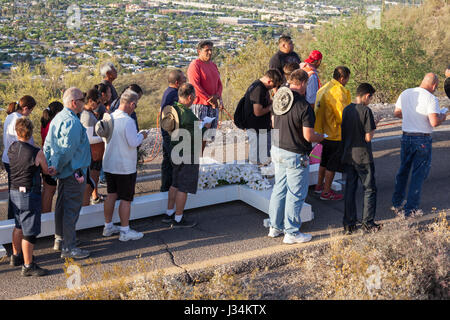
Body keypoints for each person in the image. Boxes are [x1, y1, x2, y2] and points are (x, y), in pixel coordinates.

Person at [268, 69, 324, 244]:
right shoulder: (304, 106)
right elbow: (309, 136)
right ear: (303, 84)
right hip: (295, 153)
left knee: (279, 188)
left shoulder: (278, 100)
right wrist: (322, 137)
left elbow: (272, 123)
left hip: (277, 149)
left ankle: (275, 227)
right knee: (296, 193)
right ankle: (291, 232)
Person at [43, 87, 91, 259]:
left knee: (62, 207)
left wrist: (51, 165)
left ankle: (60, 240)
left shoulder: (58, 118)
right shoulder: (72, 122)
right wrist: (56, 166)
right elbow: (66, 151)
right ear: (74, 102)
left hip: (65, 172)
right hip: (73, 172)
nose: (84, 103)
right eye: (82, 100)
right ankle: (69, 248)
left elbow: (48, 145)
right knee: (71, 210)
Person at [391, 73, 446, 218]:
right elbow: (434, 122)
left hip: (406, 136)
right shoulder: (431, 98)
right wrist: (443, 116)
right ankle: (411, 209)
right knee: (418, 174)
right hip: (422, 139)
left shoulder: (406, 93)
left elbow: (396, 113)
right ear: (434, 85)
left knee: (403, 170)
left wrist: (411, 115)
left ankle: (397, 202)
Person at [9, 118, 55, 276]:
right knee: (30, 231)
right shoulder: (37, 152)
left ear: (17, 131)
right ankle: (28, 266)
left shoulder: (12, 148)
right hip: (29, 192)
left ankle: (16, 256)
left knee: (18, 225)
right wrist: (51, 169)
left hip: (14, 190)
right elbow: (46, 170)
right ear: (31, 132)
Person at [160, 83, 210, 228]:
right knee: (184, 187)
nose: (194, 99)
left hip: (175, 151)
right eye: (194, 96)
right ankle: (178, 218)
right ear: (189, 97)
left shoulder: (174, 108)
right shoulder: (188, 114)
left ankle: (169, 213)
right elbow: (196, 137)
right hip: (188, 153)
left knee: (174, 184)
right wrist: (205, 128)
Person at [102, 89, 148, 241]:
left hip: (109, 163)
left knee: (111, 195)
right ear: (132, 104)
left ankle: (108, 226)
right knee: (126, 199)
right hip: (124, 165)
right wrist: (142, 135)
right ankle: (125, 230)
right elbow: (133, 142)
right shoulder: (128, 121)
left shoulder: (109, 117)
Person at [341, 83, 381, 234]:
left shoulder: (347, 109)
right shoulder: (366, 110)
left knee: (350, 189)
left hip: (348, 154)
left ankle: (348, 224)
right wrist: (374, 125)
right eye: (370, 98)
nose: (370, 101)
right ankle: (368, 223)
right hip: (363, 156)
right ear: (367, 96)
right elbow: (368, 137)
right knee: (369, 189)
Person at [314, 66, 352, 200]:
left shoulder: (324, 88)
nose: (347, 81)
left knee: (324, 160)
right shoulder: (338, 91)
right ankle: (326, 191)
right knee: (332, 163)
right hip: (335, 133)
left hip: (322, 131)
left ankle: (319, 186)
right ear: (342, 78)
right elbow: (342, 115)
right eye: (347, 79)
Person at [2, 96, 36, 223]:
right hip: (18, 160)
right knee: (19, 192)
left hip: (8, 157)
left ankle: (12, 219)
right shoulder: (20, 120)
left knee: (13, 190)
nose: (30, 113)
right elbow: (26, 141)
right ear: (26, 108)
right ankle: (16, 219)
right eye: (31, 110)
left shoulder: (9, 117)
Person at [243, 69, 283, 165]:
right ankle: (255, 176)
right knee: (257, 158)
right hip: (256, 128)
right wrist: (271, 107)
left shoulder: (261, 87)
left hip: (262, 128)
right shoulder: (258, 89)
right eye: (273, 86)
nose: (272, 88)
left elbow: (265, 101)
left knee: (263, 156)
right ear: (269, 81)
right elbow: (258, 111)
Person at [187, 40, 223, 142]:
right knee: (199, 135)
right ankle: (197, 157)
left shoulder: (213, 65)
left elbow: (219, 84)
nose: (210, 53)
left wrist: (218, 96)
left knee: (209, 137)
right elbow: (195, 86)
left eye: (211, 50)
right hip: (200, 105)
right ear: (199, 51)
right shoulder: (195, 65)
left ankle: (203, 156)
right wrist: (210, 99)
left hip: (213, 105)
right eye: (207, 50)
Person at [160, 69, 186, 192]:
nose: (186, 80)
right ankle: (172, 191)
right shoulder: (174, 95)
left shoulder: (168, 93)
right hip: (171, 134)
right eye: (183, 79)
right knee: (175, 164)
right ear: (177, 82)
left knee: (167, 164)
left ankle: (165, 189)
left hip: (167, 133)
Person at [80, 88, 104, 206]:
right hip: (92, 154)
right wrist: (104, 137)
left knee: (89, 184)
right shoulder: (87, 117)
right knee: (90, 184)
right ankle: (85, 208)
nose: (99, 105)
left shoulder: (86, 113)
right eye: (98, 102)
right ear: (90, 101)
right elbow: (89, 138)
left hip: (90, 153)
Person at [40, 101, 64, 213]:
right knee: (50, 190)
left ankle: (45, 215)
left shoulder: (44, 122)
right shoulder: (53, 124)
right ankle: (46, 216)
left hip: (44, 157)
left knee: (46, 189)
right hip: (50, 158)